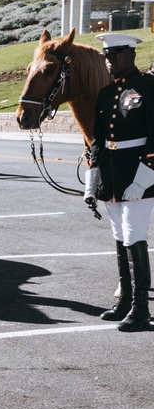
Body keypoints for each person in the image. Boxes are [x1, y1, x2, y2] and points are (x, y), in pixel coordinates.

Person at [85, 33, 154, 332]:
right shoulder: (106, 93)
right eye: (106, 55)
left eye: (116, 54)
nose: (109, 59)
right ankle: (125, 301)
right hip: (112, 177)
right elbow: (98, 140)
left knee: (134, 236)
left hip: (137, 175)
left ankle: (141, 311)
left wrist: (143, 179)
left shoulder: (149, 88)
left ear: (131, 55)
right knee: (119, 236)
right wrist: (92, 181)